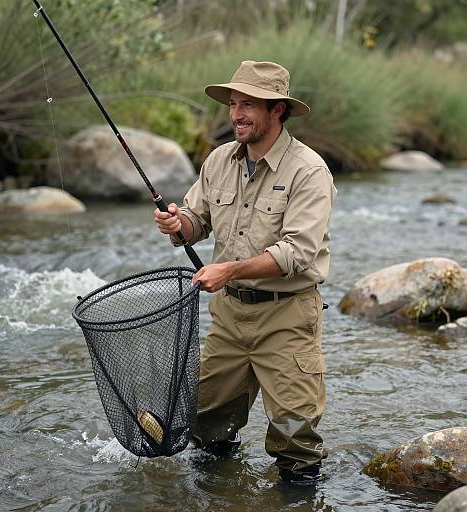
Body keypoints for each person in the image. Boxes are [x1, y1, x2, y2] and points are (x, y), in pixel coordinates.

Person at [154, 60, 336, 483]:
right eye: (233, 103)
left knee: (296, 440)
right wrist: (176, 224)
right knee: (207, 424)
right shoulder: (219, 160)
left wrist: (229, 270)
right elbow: (195, 223)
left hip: (288, 316)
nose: (236, 114)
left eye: (248, 104)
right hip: (230, 317)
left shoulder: (309, 171)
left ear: (278, 110)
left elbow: (298, 253)